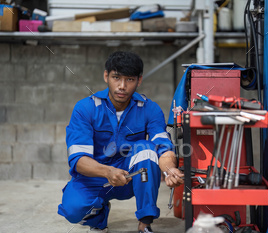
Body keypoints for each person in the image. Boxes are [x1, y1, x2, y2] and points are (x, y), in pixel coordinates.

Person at [58, 51, 184, 233]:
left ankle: (145, 223)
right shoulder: (85, 108)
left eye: (130, 79)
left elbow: (163, 148)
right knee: (73, 209)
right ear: (106, 76)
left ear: (139, 80)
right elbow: (78, 159)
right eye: (116, 77)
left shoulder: (150, 109)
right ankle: (99, 216)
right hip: (96, 176)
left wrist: (170, 169)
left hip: (131, 177)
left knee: (147, 148)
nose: (122, 86)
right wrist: (108, 171)